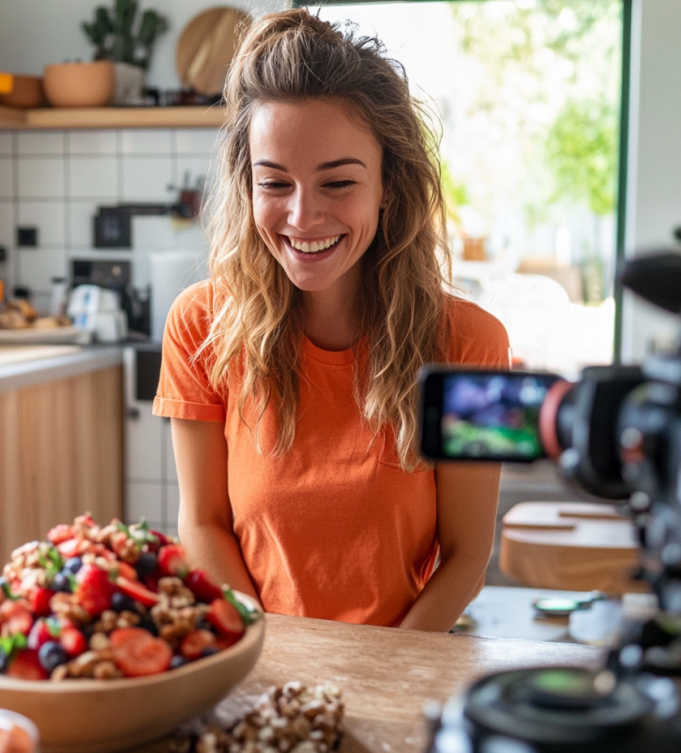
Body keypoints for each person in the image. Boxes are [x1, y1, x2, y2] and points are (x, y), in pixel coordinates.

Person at [153, 9, 510, 631]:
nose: (303, 216)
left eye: (338, 182)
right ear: (247, 187)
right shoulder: (198, 325)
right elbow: (202, 523)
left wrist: (376, 669)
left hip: (405, 660)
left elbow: (468, 559)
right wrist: (275, 654)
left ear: (388, 187)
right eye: (275, 183)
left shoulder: (475, 343)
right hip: (259, 661)